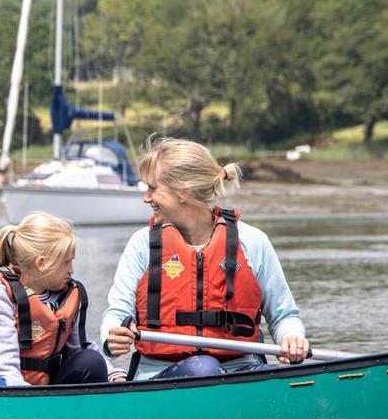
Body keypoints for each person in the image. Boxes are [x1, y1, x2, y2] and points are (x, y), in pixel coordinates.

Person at [100, 137, 310, 381]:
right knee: (204, 368)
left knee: (271, 376)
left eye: (153, 188)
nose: (146, 198)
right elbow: (117, 311)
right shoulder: (141, 244)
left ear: (184, 191)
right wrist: (112, 336)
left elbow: (284, 316)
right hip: (160, 375)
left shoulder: (252, 241)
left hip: (240, 369)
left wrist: (292, 337)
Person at [0, 213, 124, 386]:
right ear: (41, 263)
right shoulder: (1, 294)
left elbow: (80, 347)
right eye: (66, 262)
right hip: (9, 383)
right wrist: (28, 395)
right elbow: (4, 362)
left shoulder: (67, 294)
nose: (71, 270)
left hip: (49, 385)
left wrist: (113, 374)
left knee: (91, 361)